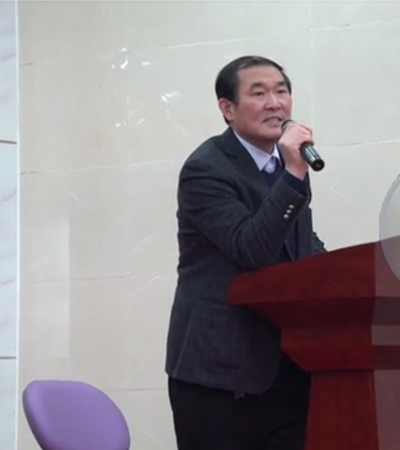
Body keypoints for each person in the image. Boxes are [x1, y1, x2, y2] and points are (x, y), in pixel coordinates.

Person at [164, 55, 327, 450]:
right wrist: (294, 175)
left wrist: (346, 275)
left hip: (287, 370)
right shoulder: (206, 169)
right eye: (259, 93)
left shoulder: (284, 166)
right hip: (220, 377)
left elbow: (299, 245)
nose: (275, 103)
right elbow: (250, 248)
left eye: (282, 92)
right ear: (227, 109)